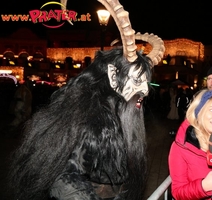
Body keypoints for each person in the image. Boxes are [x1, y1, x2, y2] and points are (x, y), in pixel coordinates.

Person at [5, 1, 165, 199]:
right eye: (135, 80)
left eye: (144, 83)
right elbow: (65, 179)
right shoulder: (87, 118)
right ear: (113, 76)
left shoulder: (119, 110)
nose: (143, 90)